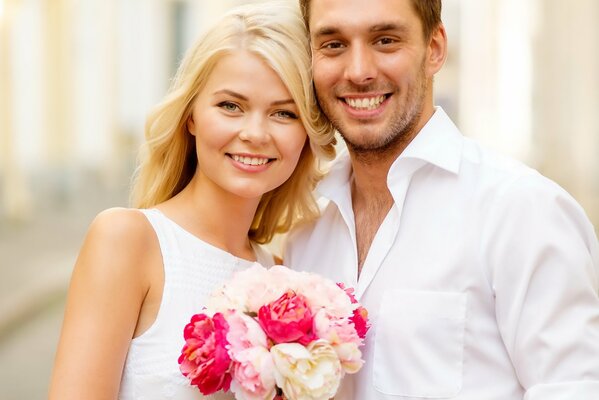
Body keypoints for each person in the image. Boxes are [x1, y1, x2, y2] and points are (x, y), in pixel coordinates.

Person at [284, 0, 599, 399]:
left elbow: (574, 389)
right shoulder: (303, 224)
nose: (359, 70)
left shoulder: (520, 209)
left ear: (434, 48)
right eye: (334, 44)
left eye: (385, 40)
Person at [48, 2, 335, 399]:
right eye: (230, 106)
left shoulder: (282, 281)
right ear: (191, 116)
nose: (255, 133)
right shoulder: (128, 241)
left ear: (306, 134)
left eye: (284, 113)